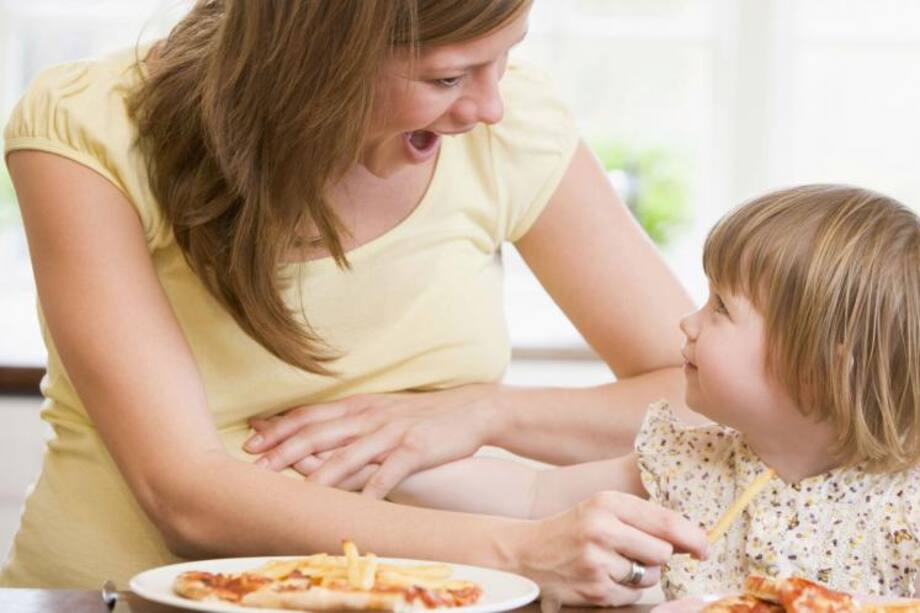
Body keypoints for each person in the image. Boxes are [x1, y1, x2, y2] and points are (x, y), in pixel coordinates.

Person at [1, 0, 708, 601]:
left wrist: (487, 411)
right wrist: (517, 551)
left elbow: (697, 392)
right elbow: (186, 497)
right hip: (114, 597)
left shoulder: (514, 132)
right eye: (447, 77)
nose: (489, 106)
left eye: (505, 57)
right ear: (314, 58)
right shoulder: (95, 127)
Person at [385, 185, 920, 599]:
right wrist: (385, 456)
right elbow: (531, 495)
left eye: (721, 309)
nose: (688, 322)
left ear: (818, 368)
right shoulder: (686, 462)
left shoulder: (905, 509)